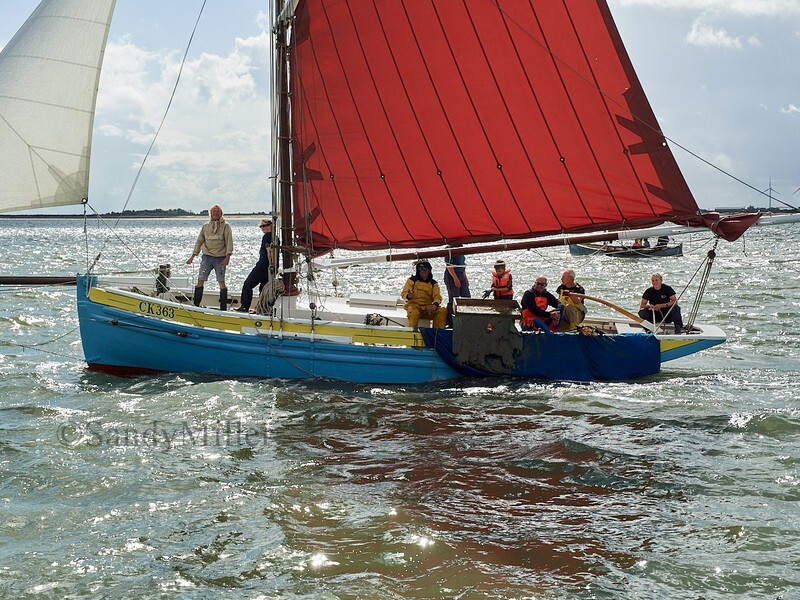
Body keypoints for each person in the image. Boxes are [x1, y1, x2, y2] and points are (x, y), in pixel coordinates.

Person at [187, 204, 234, 310]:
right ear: (210, 213)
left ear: (221, 214)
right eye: (213, 211)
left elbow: (229, 241)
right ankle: (196, 306)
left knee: (221, 282)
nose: (215, 213)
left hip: (220, 257)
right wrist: (193, 256)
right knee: (200, 280)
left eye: (217, 211)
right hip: (207, 257)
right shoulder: (205, 226)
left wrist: (228, 256)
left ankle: (223, 308)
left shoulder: (226, 226)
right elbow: (199, 241)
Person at [235, 218, 276, 312]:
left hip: (264, 265)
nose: (263, 228)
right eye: (261, 226)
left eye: (265, 225)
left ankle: (244, 307)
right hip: (270, 267)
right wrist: (273, 266)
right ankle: (263, 309)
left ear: (271, 225)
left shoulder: (267, 236)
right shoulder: (275, 237)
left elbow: (269, 251)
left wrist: (271, 263)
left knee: (248, 284)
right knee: (263, 288)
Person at [401, 261, 447, 329]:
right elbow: (403, 294)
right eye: (420, 269)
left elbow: (437, 297)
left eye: (425, 269)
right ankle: (412, 332)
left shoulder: (433, 283)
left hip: (427, 308)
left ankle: (437, 333)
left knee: (442, 310)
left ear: (429, 270)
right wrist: (408, 296)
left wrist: (435, 305)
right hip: (414, 306)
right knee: (414, 313)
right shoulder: (412, 280)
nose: (423, 271)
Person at [443, 246, 470, 327]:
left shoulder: (461, 247)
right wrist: (455, 278)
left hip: (461, 273)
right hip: (452, 274)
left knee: (467, 297)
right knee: (453, 299)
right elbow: (449, 265)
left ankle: (465, 320)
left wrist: (465, 278)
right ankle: (450, 322)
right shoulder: (449, 248)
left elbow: (462, 265)